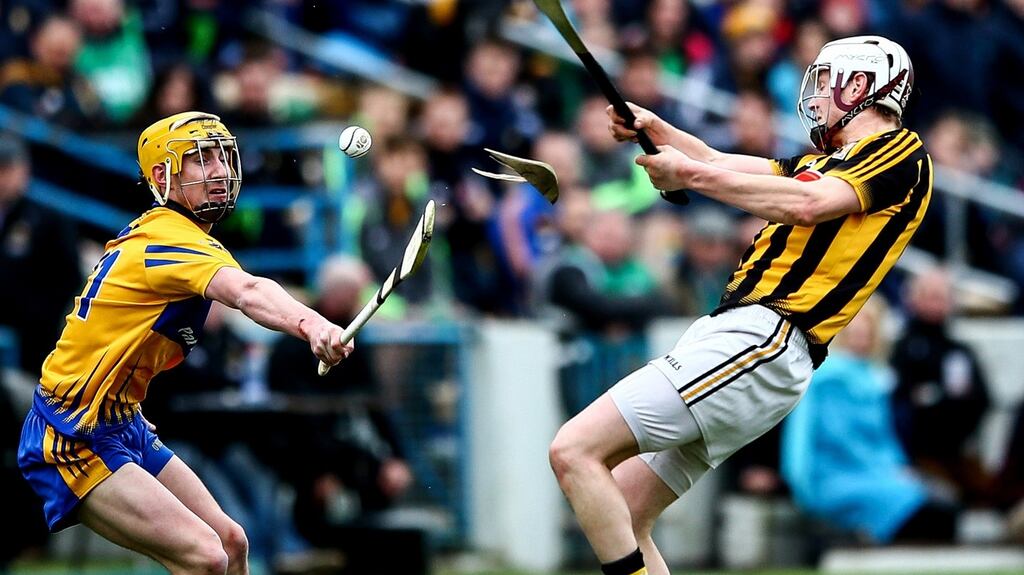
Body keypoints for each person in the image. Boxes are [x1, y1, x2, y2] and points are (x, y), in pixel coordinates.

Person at [549, 35, 929, 575]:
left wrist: (689, 176)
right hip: (742, 339)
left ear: (861, 85)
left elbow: (807, 204)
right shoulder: (831, 161)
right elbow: (723, 162)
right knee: (625, 515)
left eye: (824, 81)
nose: (815, 95)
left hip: (765, 337)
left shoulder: (897, 151)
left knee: (573, 449)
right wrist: (662, 132)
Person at [16, 111, 355, 575]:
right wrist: (314, 326)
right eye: (199, 160)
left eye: (222, 157)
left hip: (122, 423)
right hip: (71, 434)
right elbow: (249, 292)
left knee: (232, 542)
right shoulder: (167, 239)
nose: (218, 170)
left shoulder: (185, 237)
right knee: (205, 556)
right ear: (162, 177)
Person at [781, 296, 957, 545]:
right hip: (835, 476)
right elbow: (839, 440)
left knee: (936, 501)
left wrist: (896, 467)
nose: (862, 339)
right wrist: (887, 469)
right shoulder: (827, 380)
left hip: (872, 472)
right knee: (922, 507)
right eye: (856, 333)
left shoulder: (876, 380)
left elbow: (883, 437)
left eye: (867, 333)